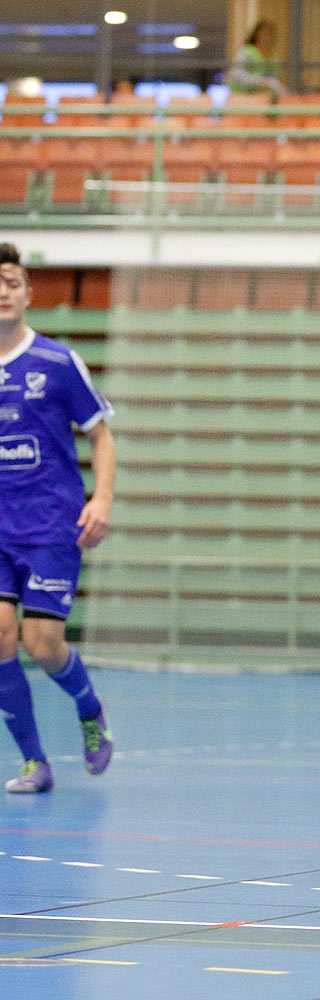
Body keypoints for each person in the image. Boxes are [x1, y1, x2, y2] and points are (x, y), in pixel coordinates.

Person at [0, 242, 116, 795]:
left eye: (12, 281)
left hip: (50, 526)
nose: (3, 291)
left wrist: (103, 499)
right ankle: (35, 762)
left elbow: (99, 432)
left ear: (26, 293)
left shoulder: (57, 362)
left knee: (42, 643)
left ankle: (90, 709)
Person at [227, 19, 285, 96]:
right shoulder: (246, 52)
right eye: (265, 33)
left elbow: (275, 78)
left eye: (271, 34)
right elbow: (237, 74)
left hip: (264, 98)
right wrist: (260, 81)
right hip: (242, 96)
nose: (268, 37)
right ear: (257, 34)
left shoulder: (274, 57)